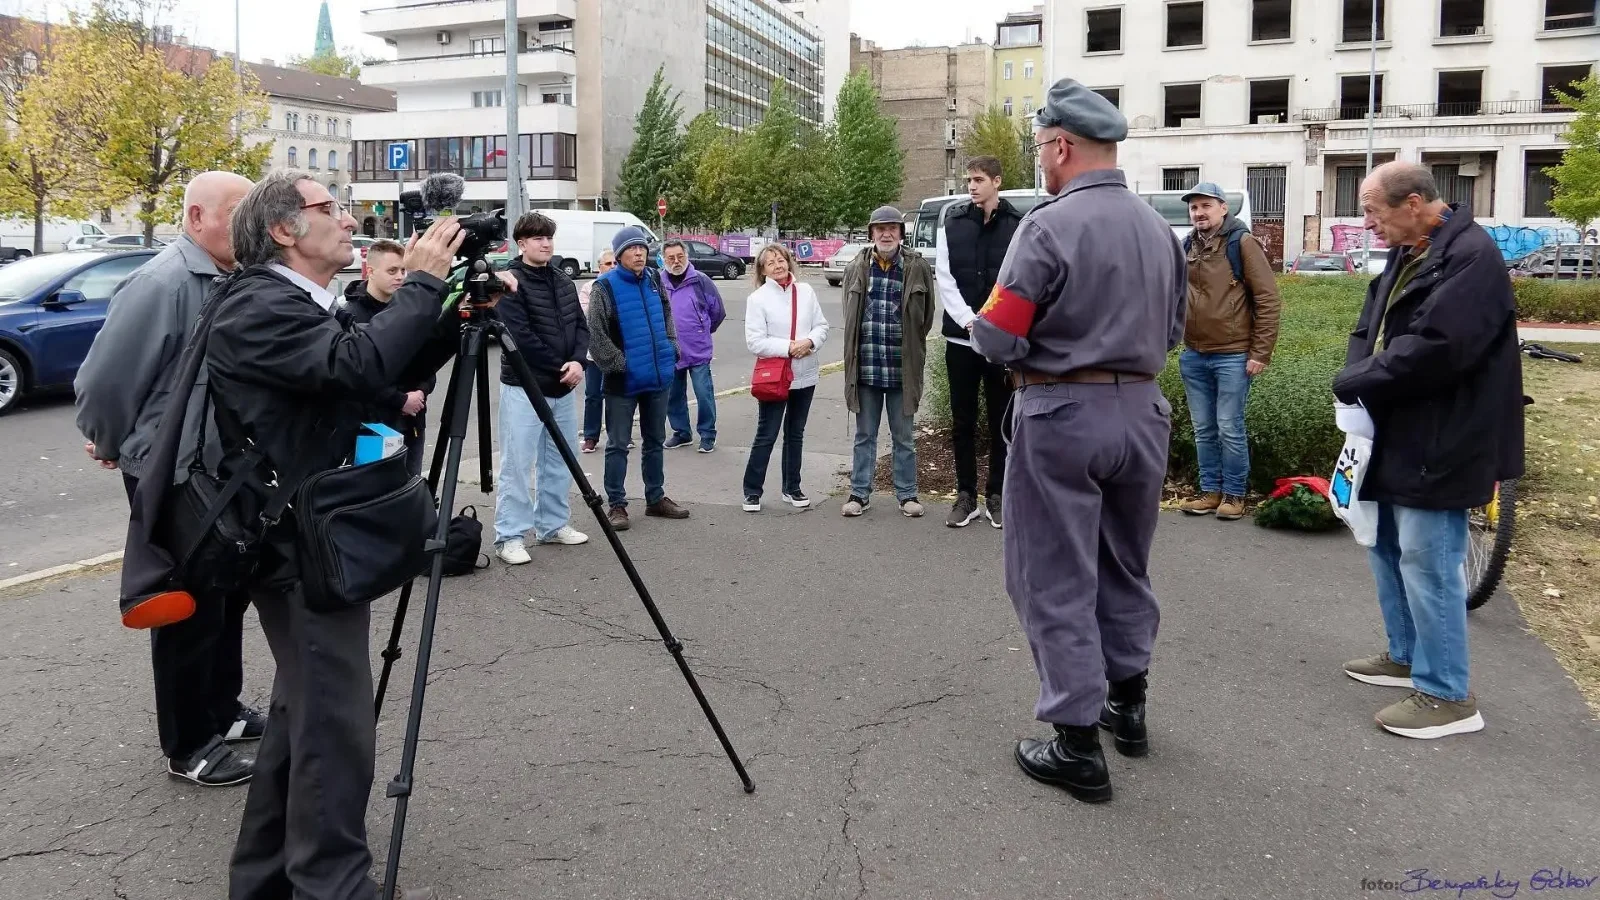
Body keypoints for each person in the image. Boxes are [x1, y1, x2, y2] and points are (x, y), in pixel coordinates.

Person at [211, 170, 470, 900]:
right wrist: (422, 282)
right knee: (335, 726)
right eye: (333, 208)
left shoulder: (297, 300)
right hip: (295, 547)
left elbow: (376, 373)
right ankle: (332, 884)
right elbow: (354, 363)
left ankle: (264, 879)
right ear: (284, 230)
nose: (351, 221)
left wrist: (451, 312)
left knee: (306, 712)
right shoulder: (259, 305)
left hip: (308, 536)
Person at [971, 79, 1186, 804]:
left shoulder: (1047, 226)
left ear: (1062, 145)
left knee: (1054, 574)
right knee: (1124, 564)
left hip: (1062, 412)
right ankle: (1129, 705)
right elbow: (1174, 331)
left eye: (1040, 147)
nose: (1040, 159)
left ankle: (1075, 742)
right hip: (1143, 411)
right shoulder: (1160, 229)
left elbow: (998, 333)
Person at [74, 170, 262, 788]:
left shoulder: (231, 275)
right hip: (176, 473)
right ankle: (190, 746)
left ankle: (222, 710)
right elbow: (104, 382)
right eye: (237, 211)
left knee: (227, 594)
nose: (249, 224)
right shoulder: (164, 282)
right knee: (188, 606)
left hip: (220, 471)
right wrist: (112, 442)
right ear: (196, 218)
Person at [1333, 161, 1524, 740]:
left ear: (1413, 203)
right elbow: (1373, 326)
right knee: (1386, 544)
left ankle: (1447, 694)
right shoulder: (1412, 249)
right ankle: (1406, 655)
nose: (1367, 223)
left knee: (1429, 560)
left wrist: (1357, 380)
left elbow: (1438, 347)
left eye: (1373, 210)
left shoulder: (1471, 257)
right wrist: (1358, 379)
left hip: (1445, 433)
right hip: (1399, 424)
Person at [1175, 182, 1281, 521]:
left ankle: (1235, 495)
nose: (1199, 212)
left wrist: (1260, 353)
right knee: (1203, 428)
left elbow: (1268, 299)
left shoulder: (1241, 242)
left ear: (1223, 208)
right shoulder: (1187, 244)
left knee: (1228, 427)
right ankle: (1210, 492)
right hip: (1194, 354)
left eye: (1206, 205)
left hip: (1233, 355)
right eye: (1194, 207)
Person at [491, 212, 591, 564]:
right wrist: (560, 366)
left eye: (549, 237)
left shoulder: (563, 280)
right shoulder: (511, 282)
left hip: (562, 386)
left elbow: (581, 326)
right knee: (518, 464)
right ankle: (510, 536)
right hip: (524, 386)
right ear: (522, 243)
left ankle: (552, 524)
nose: (546, 244)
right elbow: (518, 336)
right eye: (538, 238)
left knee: (560, 459)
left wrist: (578, 362)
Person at [934, 155, 1023, 529]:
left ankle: (997, 494)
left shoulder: (1017, 224)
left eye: (978, 179)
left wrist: (992, 323)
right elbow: (944, 278)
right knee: (963, 421)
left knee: (1002, 420)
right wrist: (970, 321)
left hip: (999, 343)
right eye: (969, 180)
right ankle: (966, 495)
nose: (971, 186)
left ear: (997, 182)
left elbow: (1018, 279)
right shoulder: (951, 223)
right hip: (961, 340)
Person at [586, 226, 690, 531]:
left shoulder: (654, 279)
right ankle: (617, 505)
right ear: (619, 255)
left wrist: (671, 347)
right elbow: (595, 334)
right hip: (623, 381)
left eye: (642, 248)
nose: (639, 253)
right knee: (618, 444)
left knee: (655, 440)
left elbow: (667, 314)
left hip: (657, 377)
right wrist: (620, 364)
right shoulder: (604, 287)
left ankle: (655, 498)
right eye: (632, 249)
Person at [839, 205, 937, 518]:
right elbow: (849, 315)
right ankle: (859, 494)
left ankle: (907, 495)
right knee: (864, 436)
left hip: (901, 369)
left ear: (900, 233)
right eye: (880, 229)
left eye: (892, 228)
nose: (886, 234)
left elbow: (926, 318)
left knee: (903, 438)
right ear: (871, 233)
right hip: (866, 368)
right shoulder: (856, 267)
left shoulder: (916, 267)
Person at [340, 238, 441, 478]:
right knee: (375, 488)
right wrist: (400, 400)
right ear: (371, 271)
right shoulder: (350, 316)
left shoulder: (411, 312)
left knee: (411, 483)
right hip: (371, 425)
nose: (400, 277)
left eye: (404, 271)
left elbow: (428, 361)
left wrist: (421, 391)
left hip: (413, 420)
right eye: (392, 271)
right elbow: (355, 374)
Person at [742, 243, 829, 511]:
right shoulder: (757, 299)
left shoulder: (806, 291)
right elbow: (755, 342)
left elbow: (821, 326)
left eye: (781, 260)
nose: (778, 265)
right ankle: (752, 491)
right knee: (767, 433)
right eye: (771, 262)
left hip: (805, 374)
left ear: (789, 262)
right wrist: (789, 347)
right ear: (762, 270)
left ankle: (792, 487)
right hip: (775, 377)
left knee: (795, 433)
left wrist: (810, 342)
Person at [661, 239, 727, 453]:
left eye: (680, 256)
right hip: (670, 351)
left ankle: (707, 434)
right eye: (671, 258)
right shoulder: (658, 282)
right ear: (663, 259)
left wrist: (702, 331)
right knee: (673, 395)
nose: (676, 261)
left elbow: (717, 312)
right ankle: (682, 433)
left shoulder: (701, 281)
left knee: (703, 393)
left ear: (687, 257)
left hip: (698, 350)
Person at [578, 249, 617, 454]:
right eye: (608, 264)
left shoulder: (623, 286)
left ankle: (618, 434)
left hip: (617, 353)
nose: (612, 267)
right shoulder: (589, 287)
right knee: (593, 395)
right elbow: (588, 315)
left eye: (615, 263)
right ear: (599, 267)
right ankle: (590, 436)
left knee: (616, 395)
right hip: (594, 353)